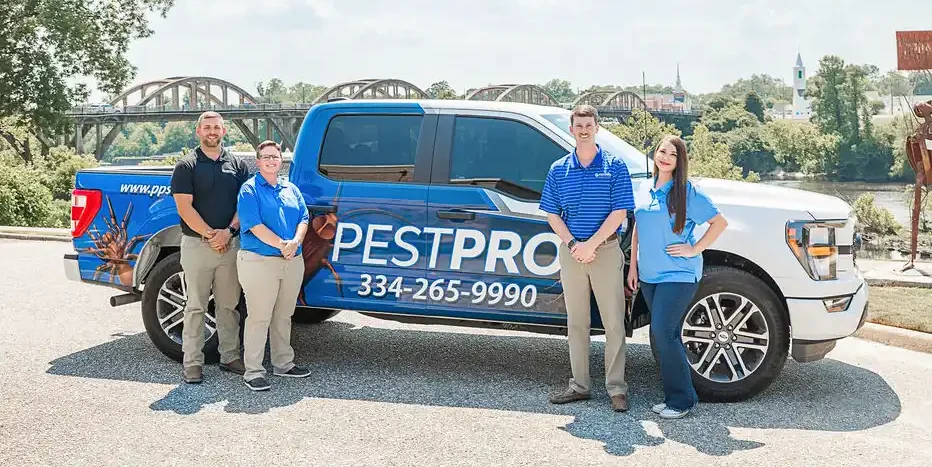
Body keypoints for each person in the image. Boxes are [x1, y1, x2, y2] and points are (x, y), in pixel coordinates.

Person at [540, 104, 635, 412]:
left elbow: (619, 213)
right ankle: (579, 385)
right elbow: (552, 214)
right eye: (578, 125)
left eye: (588, 124)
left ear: (597, 128)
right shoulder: (558, 168)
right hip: (572, 254)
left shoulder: (615, 166)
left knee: (613, 324)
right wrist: (572, 244)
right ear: (572, 129)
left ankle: (616, 389)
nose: (583, 129)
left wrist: (591, 244)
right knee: (577, 323)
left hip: (605, 251)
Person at [625, 135, 728, 419]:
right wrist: (632, 267)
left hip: (679, 274)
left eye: (672, 153)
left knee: (664, 332)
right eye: (661, 151)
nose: (665, 157)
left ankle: (682, 401)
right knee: (660, 337)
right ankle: (676, 397)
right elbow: (638, 229)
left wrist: (694, 248)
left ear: (679, 160)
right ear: (655, 155)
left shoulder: (687, 192)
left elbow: (719, 223)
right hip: (649, 275)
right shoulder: (644, 188)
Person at [170, 111, 251, 384]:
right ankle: (192, 362)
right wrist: (210, 234)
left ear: (224, 131)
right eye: (207, 128)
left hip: (230, 244)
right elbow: (184, 207)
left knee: (229, 304)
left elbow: (245, 204)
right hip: (197, 245)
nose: (212, 131)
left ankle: (230, 356)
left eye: (216, 127)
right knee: (195, 305)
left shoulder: (237, 165)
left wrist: (228, 232)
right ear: (198, 132)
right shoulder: (186, 166)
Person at [235, 140, 312, 391]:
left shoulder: (290, 188)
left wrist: (297, 241)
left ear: (281, 161)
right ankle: (253, 372)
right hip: (259, 261)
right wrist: (283, 244)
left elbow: (303, 217)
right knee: (259, 317)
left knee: (283, 315)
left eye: (275, 157)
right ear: (257, 162)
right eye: (266, 157)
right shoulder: (249, 190)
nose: (271, 160)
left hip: (291, 261)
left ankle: (283, 364)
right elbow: (254, 225)